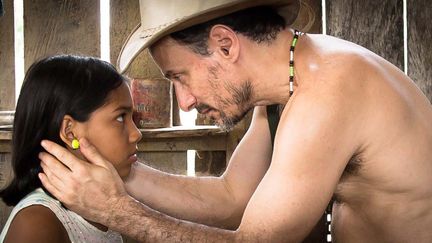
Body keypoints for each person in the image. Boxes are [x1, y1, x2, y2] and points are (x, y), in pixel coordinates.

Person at [38, 0, 432, 242]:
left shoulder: (329, 90)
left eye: (179, 76)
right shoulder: (285, 87)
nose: (186, 101)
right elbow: (232, 199)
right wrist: (116, 172)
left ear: (225, 45)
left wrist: (116, 211)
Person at [0, 55, 142, 242]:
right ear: (70, 132)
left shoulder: (99, 205)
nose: (136, 134)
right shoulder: (38, 223)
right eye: (120, 118)